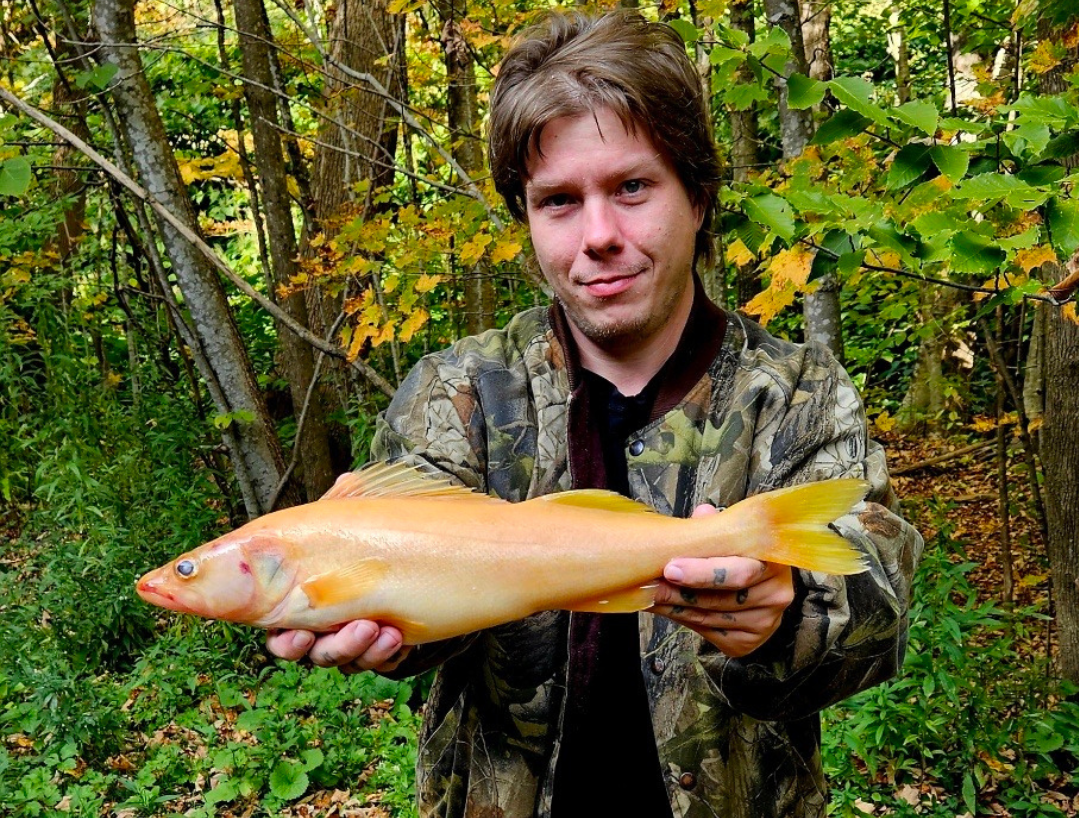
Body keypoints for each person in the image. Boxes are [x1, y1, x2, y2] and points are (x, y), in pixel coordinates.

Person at [268, 9, 923, 817]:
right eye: (559, 201)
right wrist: (381, 616)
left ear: (698, 194)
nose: (599, 236)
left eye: (632, 186)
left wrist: (784, 613)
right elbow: (424, 615)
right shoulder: (459, 392)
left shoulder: (795, 393)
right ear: (527, 219)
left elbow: (876, 605)